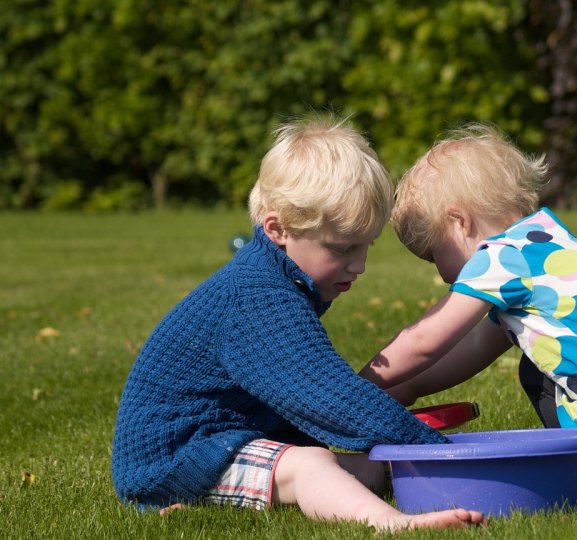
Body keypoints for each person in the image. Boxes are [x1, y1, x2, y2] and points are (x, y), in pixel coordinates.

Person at [111, 116, 486, 532]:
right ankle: (395, 525)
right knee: (312, 465)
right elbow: (330, 398)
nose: (359, 265)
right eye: (343, 248)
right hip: (179, 458)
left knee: (365, 468)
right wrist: (434, 451)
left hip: (224, 439)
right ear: (278, 229)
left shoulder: (275, 278)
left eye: (366, 246)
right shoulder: (256, 298)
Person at [360, 124, 577, 506]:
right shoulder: (546, 245)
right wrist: (408, 386)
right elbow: (477, 347)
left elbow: (423, 341)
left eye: (434, 255)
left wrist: (358, 386)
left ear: (459, 222)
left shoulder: (498, 257)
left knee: (535, 372)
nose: (442, 274)